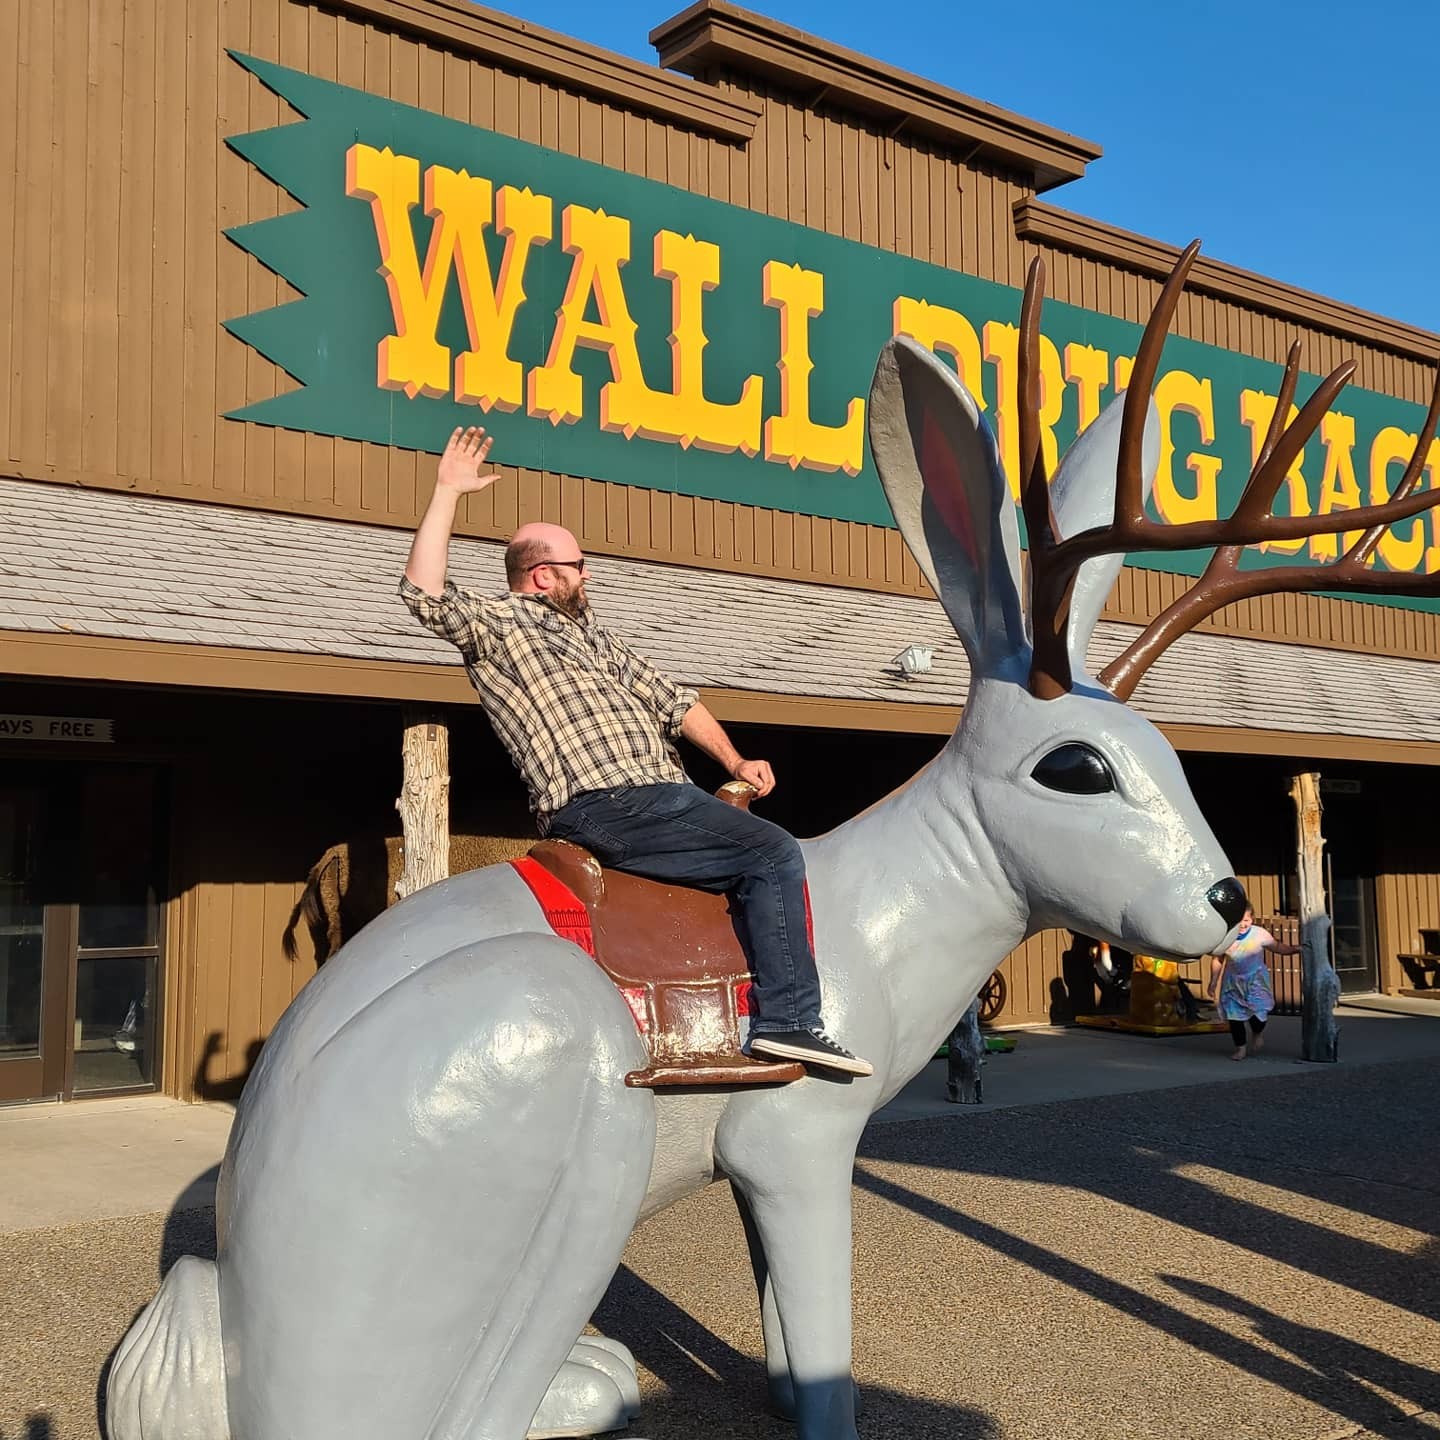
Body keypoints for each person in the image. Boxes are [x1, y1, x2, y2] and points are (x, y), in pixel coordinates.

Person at [398, 425, 873, 1078]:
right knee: (772, 851)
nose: (588, 574)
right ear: (542, 576)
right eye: (578, 565)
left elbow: (678, 701)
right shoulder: (504, 626)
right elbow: (424, 595)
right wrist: (447, 491)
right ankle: (790, 1023)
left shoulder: (598, 641)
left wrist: (733, 763)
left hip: (664, 796)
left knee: (750, 839)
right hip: (607, 802)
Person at [1204, 907, 1300, 1060]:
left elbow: (1277, 947)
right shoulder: (1225, 936)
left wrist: (1295, 950)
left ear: (1252, 920)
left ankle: (1257, 1032)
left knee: (1258, 1014)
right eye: (1238, 921)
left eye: (1246, 921)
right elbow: (1218, 959)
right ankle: (1240, 1048)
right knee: (1235, 1017)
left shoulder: (1259, 934)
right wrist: (1213, 981)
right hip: (1233, 982)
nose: (1242, 925)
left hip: (1255, 980)